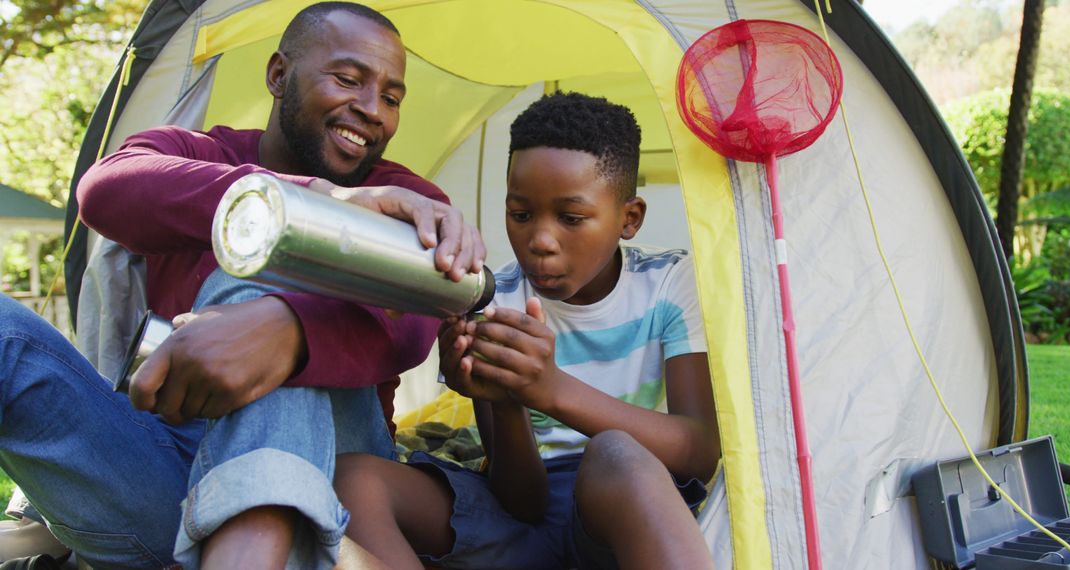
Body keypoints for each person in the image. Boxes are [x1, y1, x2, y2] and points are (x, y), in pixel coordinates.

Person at [0, 3, 483, 569]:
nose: (372, 110)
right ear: (279, 75)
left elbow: (417, 321)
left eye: (393, 97)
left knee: (263, 275)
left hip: (332, 478)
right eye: (348, 80)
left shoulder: (407, 196)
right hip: (171, 477)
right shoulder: (197, 155)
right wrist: (313, 198)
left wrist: (289, 332)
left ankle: (252, 549)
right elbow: (105, 191)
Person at [333, 92, 721, 569]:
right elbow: (523, 502)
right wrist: (501, 397)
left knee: (618, 453)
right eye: (520, 214)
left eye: (571, 218)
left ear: (629, 218)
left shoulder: (668, 283)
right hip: (522, 524)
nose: (539, 241)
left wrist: (550, 389)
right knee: (353, 481)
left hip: (617, 513)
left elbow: (700, 451)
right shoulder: (492, 297)